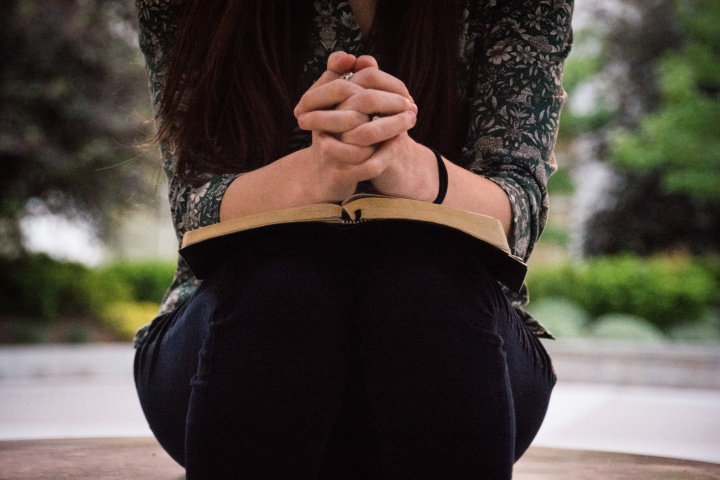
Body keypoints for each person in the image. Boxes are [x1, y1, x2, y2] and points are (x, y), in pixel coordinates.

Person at [133, 0, 573, 478]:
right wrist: (316, 172)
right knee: (284, 286)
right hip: (229, 352)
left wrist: (406, 164)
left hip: (460, 350)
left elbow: (520, 209)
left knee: (423, 286)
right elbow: (191, 209)